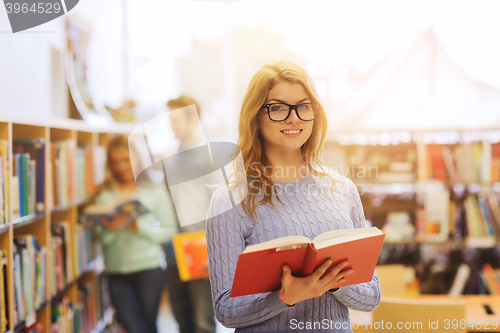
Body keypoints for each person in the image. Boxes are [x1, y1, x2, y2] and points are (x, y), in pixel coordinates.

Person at [206, 61, 381, 332]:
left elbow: (371, 296)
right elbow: (226, 310)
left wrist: (330, 281)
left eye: (303, 106)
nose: (293, 117)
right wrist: (285, 297)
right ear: (255, 117)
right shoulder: (229, 200)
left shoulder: (343, 190)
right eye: (277, 107)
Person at [93, 135, 178, 333]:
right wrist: (112, 230)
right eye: (115, 161)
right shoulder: (105, 194)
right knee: (133, 327)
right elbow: (99, 237)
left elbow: (169, 230)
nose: (121, 166)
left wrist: (140, 228)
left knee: (147, 327)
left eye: (126, 160)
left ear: (138, 159)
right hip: (116, 272)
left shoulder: (154, 190)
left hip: (149, 269)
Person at [163, 95, 216, 333]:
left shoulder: (211, 156)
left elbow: (220, 209)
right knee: (181, 319)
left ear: (193, 119)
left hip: (200, 250)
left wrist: (213, 253)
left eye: (176, 120)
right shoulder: (170, 160)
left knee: (202, 321)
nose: (171, 126)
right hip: (174, 251)